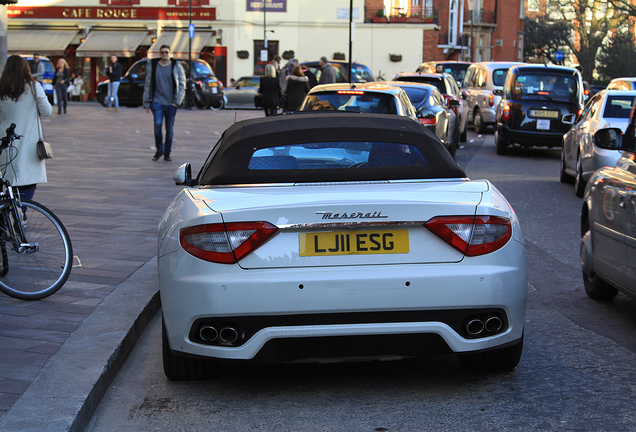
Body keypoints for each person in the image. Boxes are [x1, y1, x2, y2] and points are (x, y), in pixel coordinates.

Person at [0, 55, 53, 212]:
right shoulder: (33, 87)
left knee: (8, 182)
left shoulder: (1, 88)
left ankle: (9, 213)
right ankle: (20, 212)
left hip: (5, 140)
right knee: (29, 182)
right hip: (28, 142)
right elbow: (47, 111)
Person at [143, 45, 186, 162]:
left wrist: (177, 101)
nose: (164, 54)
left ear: (170, 53)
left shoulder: (176, 65)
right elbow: (148, 84)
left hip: (171, 103)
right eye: (162, 52)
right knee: (157, 124)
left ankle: (167, 153)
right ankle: (159, 150)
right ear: (159, 53)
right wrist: (146, 102)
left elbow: (182, 84)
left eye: (167, 52)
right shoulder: (153, 65)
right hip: (157, 101)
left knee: (169, 128)